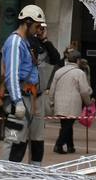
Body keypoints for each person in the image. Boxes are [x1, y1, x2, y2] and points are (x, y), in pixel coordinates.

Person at [0, 4, 45, 162]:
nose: (38, 29)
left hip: (29, 97)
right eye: (37, 25)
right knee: (14, 143)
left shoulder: (26, 42)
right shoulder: (15, 42)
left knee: (28, 144)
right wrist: (17, 101)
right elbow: (11, 75)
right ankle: (6, 175)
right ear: (27, 22)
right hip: (20, 97)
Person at [23, 19, 62, 162]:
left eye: (42, 28)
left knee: (38, 137)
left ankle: (35, 168)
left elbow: (56, 59)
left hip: (38, 96)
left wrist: (45, 40)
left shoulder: (43, 44)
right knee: (19, 137)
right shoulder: (22, 42)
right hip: (24, 95)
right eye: (38, 27)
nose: (40, 30)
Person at [49, 49, 92, 155]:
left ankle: (70, 146)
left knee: (66, 125)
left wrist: (51, 101)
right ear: (77, 60)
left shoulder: (59, 71)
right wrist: (88, 102)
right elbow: (84, 91)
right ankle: (59, 144)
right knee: (68, 125)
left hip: (60, 102)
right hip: (72, 102)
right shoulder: (79, 73)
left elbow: (52, 88)